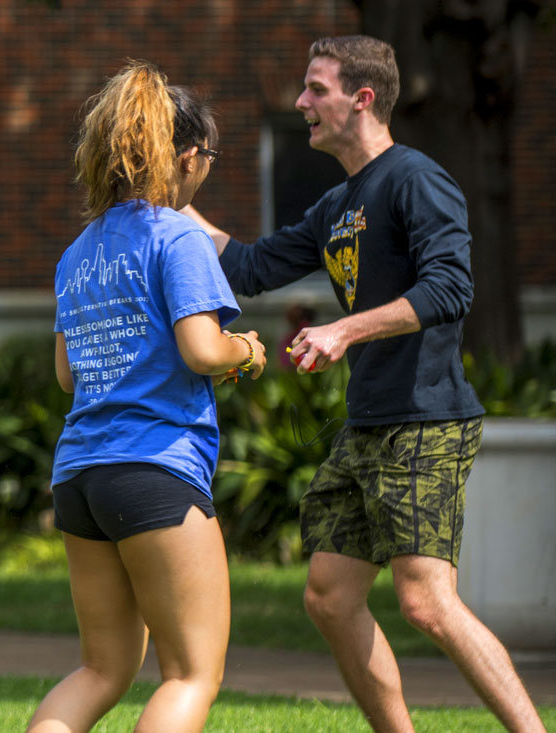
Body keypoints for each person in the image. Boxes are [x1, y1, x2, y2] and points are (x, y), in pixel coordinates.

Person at [185, 35, 545, 732]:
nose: (300, 104)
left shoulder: (415, 178)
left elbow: (449, 286)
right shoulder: (336, 204)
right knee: (327, 594)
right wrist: (163, 203)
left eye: (315, 89)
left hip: (424, 417)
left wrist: (342, 330)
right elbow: (250, 266)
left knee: (425, 601)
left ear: (363, 97)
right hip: (368, 422)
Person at [28, 62, 262, 733]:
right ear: (185, 156)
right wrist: (245, 351)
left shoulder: (77, 251)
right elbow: (201, 349)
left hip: (80, 475)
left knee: (100, 669)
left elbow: (67, 377)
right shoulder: (178, 233)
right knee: (190, 671)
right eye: (208, 157)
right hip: (155, 464)